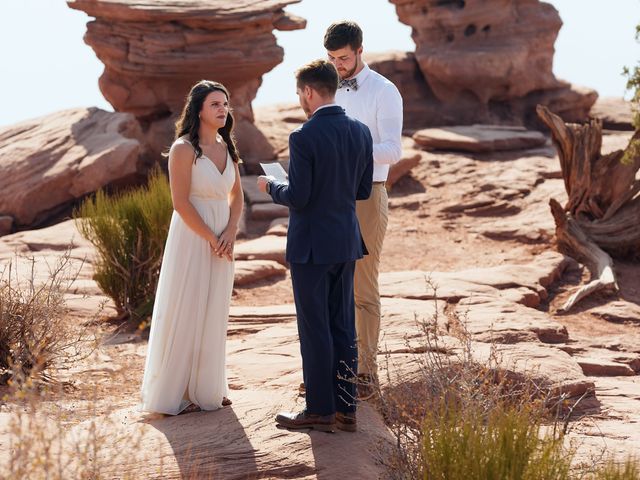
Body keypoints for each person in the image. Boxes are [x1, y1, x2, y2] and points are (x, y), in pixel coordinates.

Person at [257, 60, 373, 432]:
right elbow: (362, 190)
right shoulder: (361, 132)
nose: (300, 101)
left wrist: (272, 186)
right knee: (343, 325)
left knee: (315, 327)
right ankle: (346, 409)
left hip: (311, 247)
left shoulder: (303, 136)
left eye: (299, 94)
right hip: (346, 241)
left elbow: (300, 196)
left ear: (309, 92)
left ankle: (319, 409)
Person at [140, 80, 244, 415]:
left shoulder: (227, 147)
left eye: (225, 104)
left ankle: (209, 388)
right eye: (215, 104)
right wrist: (212, 238)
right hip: (193, 236)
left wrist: (230, 231)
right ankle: (179, 392)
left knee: (215, 308)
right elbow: (181, 203)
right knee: (188, 305)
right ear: (198, 109)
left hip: (223, 240)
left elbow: (237, 196)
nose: (223, 109)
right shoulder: (184, 149)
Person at [324, 20, 403, 399]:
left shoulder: (384, 91)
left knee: (363, 285)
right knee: (329, 284)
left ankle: (366, 373)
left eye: (342, 57)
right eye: (332, 58)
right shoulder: (328, 89)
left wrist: (349, 149)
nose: (337, 64)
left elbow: (392, 149)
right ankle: (332, 367)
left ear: (359, 50)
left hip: (368, 194)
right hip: (331, 196)